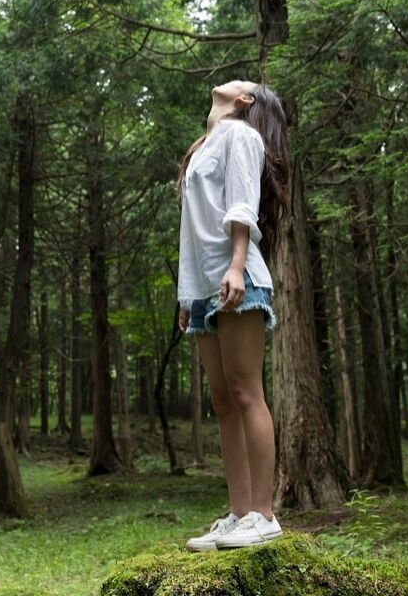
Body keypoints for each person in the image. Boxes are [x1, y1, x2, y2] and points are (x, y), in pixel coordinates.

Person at [175, 78, 290, 552]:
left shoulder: (242, 135)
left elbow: (243, 204)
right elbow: (191, 229)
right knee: (223, 402)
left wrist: (238, 265)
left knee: (246, 392)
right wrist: (187, 296)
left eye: (243, 81)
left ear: (244, 101)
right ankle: (239, 513)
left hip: (236, 275)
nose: (231, 78)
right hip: (204, 286)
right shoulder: (205, 145)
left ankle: (264, 515)